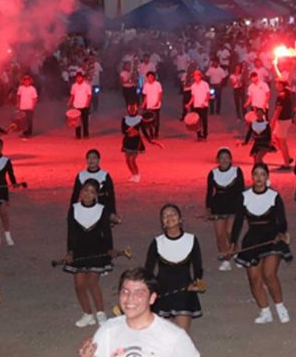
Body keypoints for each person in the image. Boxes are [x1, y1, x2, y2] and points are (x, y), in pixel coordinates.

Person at [78, 268, 200, 357]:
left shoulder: (174, 336)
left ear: (152, 298)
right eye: (125, 292)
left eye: (139, 293)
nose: (130, 299)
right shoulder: (108, 330)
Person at [230, 163, 292, 324]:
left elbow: (282, 220)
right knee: (253, 278)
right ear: (252, 177)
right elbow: (238, 221)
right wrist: (233, 242)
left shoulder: (274, 196)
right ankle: (265, 311)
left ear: (267, 177)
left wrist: (281, 233)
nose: (259, 178)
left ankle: (280, 307)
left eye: (262, 174)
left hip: (271, 237)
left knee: (269, 274)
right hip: (252, 238)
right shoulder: (244, 196)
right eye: (256, 174)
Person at [145, 204, 203, 332]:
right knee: (162, 336)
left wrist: (197, 283)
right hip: (162, 291)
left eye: (173, 214)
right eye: (165, 215)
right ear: (162, 222)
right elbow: (148, 271)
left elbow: (198, 268)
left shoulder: (191, 240)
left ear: (180, 219)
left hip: (184, 290)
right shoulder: (157, 242)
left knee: (182, 335)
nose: (169, 217)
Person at [64, 179, 113, 328]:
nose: (87, 194)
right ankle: (87, 314)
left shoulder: (101, 209)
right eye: (85, 190)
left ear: (96, 194)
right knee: (79, 284)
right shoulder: (74, 208)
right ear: (81, 191)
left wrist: (109, 248)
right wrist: (70, 251)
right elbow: (71, 232)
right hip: (79, 251)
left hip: (97, 250)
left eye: (92, 192)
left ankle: (100, 313)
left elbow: (106, 231)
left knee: (92, 282)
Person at [205, 148, 245, 272]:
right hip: (218, 205)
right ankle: (225, 257)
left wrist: (242, 205)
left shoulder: (237, 171)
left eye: (227, 157)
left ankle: (236, 253)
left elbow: (241, 189)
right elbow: (210, 191)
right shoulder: (213, 173)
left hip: (233, 204)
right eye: (221, 157)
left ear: (231, 159)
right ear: (217, 160)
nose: (224, 160)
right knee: (220, 234)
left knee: (230, 232)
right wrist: (208, 208)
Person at [122, 103, 157, 183]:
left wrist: (149, 140)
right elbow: (123, 131)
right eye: (130, 109)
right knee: (127, 159)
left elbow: (144, 131)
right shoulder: (124, 119)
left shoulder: (139, 119)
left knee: (132, 159)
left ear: (136, 110)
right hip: (127, 141)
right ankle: (133, 174)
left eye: (133, 109)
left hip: (136, 141)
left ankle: (137, 174)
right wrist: (128, 131)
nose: (132, 111)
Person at [272, 80, 294, 169]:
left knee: (282, 142)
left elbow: (278, 110)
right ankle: (287, 157)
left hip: (283, 121)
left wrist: (272, 122)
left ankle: (286, 164)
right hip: (286, 120)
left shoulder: (281, 96)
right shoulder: (288, 92)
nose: (276, 85)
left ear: (281, 84)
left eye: (277, 83)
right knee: (275, 136)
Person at [186, 70, 210, 141]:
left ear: (200, 76)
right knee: (196, 121)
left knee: (204, 121)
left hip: (203, 105)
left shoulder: (205, 84)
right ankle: (199, 135)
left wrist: (204, 102)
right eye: (194, 76)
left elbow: (208, 95)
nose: (195, 77)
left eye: (197, 75)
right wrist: (189, 104)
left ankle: (205, 135)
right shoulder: (193, 86)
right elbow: (193, 97)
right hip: (196, 106)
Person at [68, 71, 92, 139]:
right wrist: (70, 102)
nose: (78, 79)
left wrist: (87, 103)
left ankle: (86, 135)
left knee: (85, 121)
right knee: (77, 122)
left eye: (79, 77)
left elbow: (89, 95)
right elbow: (72, 95)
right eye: (77, 78)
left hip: (84, 105)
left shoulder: (87, 85)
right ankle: (78, 135)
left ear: (82, 78)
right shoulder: (74, 86)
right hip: (76, 105)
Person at [141, 72, 163, 139]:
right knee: (149, 120)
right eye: (148, 77)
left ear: (153, 77)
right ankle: (151, 134)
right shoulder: (146, 85)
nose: (150, 78)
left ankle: (156, 133)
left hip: (156, 105)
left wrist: (158, 101)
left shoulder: (157, 84)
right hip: (149, 105)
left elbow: (160, 93)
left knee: (156, 119)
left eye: (151, 76)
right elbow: (146, 96)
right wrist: (144, 103)